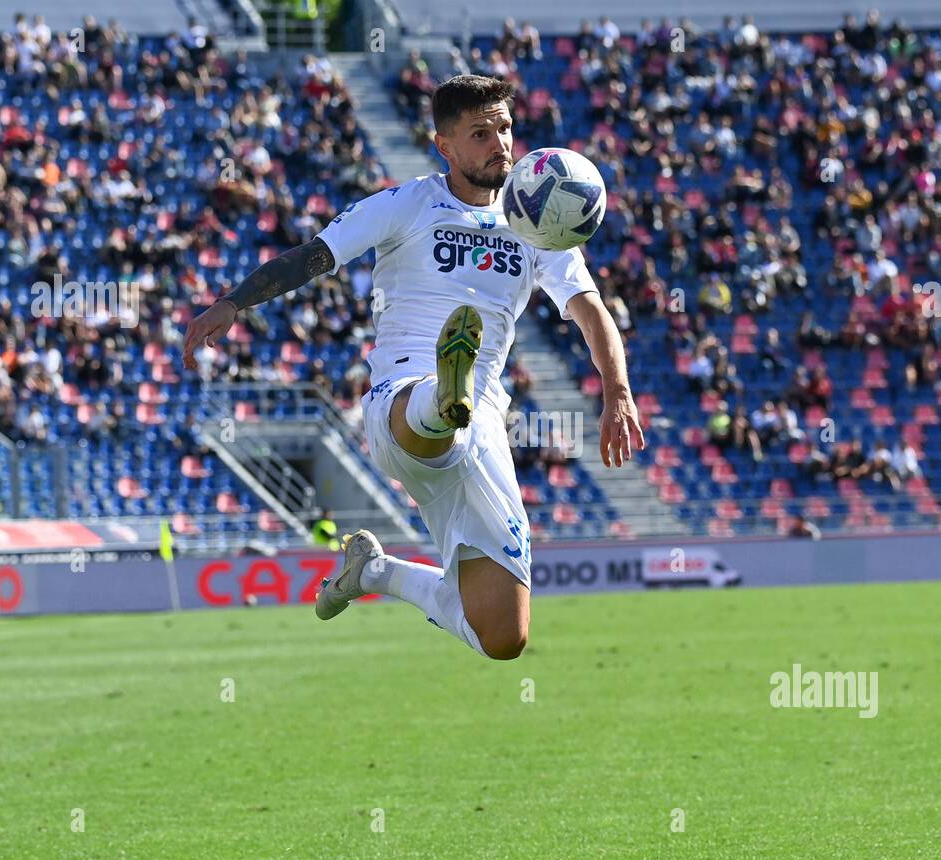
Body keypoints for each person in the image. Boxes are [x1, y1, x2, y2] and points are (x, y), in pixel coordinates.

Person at [183, 75, 642, 660]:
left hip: (486, 431)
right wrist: (233, 302)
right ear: (444, 145)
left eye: (504, 127)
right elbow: (316, 256)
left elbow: (589, 310)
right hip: (398, 400)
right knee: (433, 406)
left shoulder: (537, 224)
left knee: (502, 637)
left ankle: (375, 571)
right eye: (480, 132)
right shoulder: (407, 205)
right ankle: (444, 391)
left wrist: (618, 392)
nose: (500, 142)